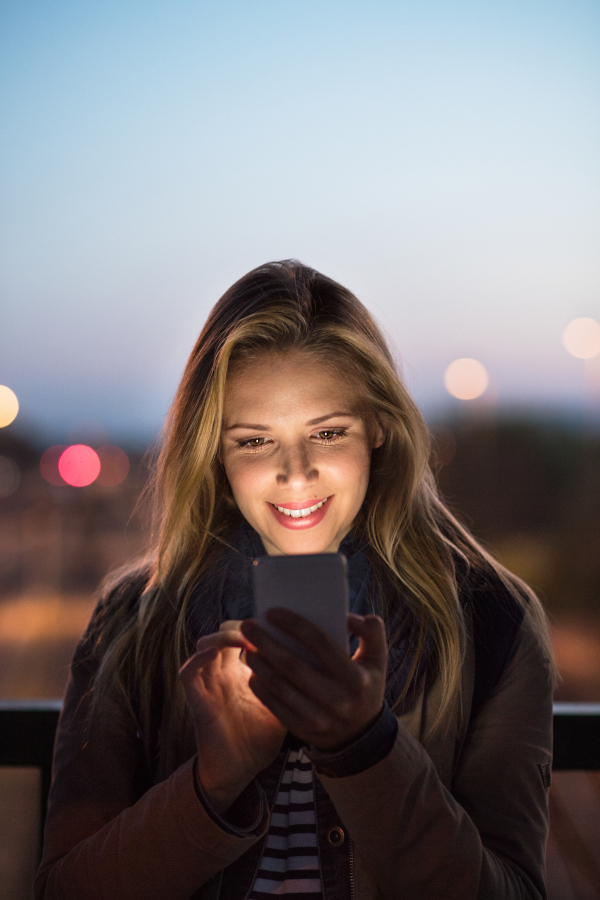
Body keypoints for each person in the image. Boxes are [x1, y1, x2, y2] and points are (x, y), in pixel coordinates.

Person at [35, 260, 556, 900]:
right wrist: (214, 781)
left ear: (380, 429)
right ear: (214, 451)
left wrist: (365, 749)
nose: (296, 473)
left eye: (328, 432)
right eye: (254, 441)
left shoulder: (491, 619)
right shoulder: (132, 619)